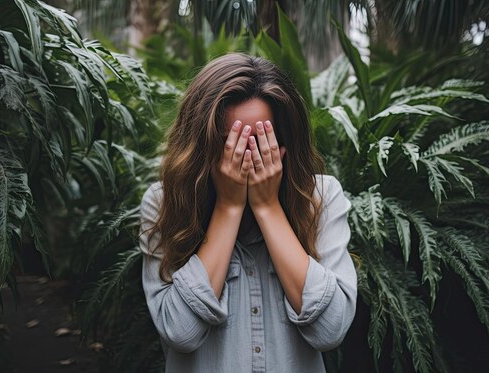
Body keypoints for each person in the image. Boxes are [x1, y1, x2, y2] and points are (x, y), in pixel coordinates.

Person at [139, 53, 357, 372]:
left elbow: (331, 330)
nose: (246, 158)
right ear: (203, 145)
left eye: (259, 142)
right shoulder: (165, 203)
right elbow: (180, 332)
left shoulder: (320, 197)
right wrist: (228, 207)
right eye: (231, 144)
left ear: (283, 145)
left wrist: (268, 207)